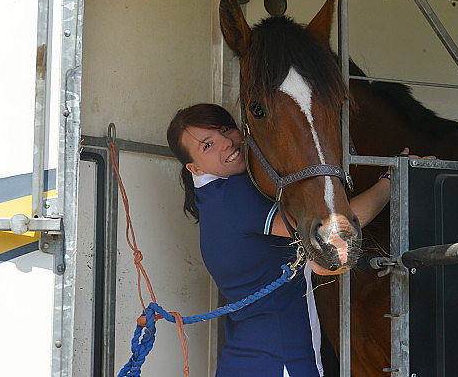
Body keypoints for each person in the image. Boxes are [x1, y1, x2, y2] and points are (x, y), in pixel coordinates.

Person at [167, 103, 419, 377]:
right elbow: (337, 226)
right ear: (194, 168)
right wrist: (390, 180)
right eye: (208, 145)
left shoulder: (211, 199)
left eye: (226, 129)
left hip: (251, 361)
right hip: (279, 362)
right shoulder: (235, 195)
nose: (226, 143)